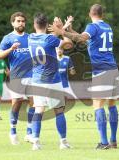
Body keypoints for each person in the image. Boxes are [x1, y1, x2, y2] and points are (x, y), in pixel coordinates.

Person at [50, 4, 119, 149]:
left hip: (101, 70)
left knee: (98, 105)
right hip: (113, 68)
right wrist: (68, 30)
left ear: (89, 14)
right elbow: (85, 40)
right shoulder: (107, 27)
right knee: (112, 105)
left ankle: (104, 143)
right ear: (103, 15)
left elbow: (81, 37)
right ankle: (113, 140)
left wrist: (62, 31)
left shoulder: (92, 27)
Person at [29, 13, 73, 150]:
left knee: (38, 110)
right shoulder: (49, 39)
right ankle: (63, 142)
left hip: (36, 80)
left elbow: (49, 39)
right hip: (53, 79)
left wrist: (61, 28)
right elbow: (68, 44)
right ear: (47, 25)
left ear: (35, 25)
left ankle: (35, 142)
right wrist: (62, 30)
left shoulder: (30, 38)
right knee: (59, 111)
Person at [0, 12, 35, 145]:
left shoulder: (30, 37)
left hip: (31, 75)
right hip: (16, 76)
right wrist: (11, 49)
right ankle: (12, 131)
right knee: (17, 102)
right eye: (18, 21)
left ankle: (29, 132)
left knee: (34, 103)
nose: (21, 23)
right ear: (13, 23)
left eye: (23, 21)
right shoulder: (7, 38)